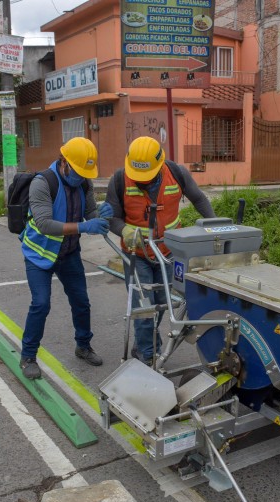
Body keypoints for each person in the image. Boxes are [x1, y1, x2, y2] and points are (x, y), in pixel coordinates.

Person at [106, 136, 215, 365]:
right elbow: (111, 218)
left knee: (162, 304)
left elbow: (199, 199)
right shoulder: (119, 180)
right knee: (144, 308)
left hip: (167, 251)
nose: (141, 181)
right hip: (136, 255)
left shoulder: (176, 172)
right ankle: (148, 357)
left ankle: (144, 343)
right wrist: (123, 229)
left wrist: (217, 227)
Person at [19, 137, 112, 380]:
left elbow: (89, 213)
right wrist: (83, 227)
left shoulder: (84, 183)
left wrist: (101, 214)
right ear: (64, 162)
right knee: (41, 304)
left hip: (69, 253)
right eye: (78, 171)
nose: (81, 177)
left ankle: (83, 346)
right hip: (39, 254)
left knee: (81, 301)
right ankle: (28, 356)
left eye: (85, 173)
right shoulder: (42, 183)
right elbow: (45, 224)